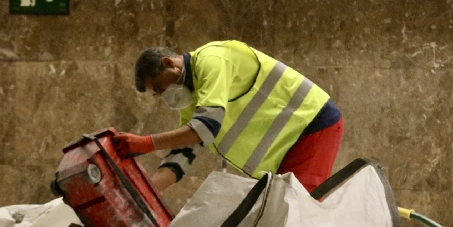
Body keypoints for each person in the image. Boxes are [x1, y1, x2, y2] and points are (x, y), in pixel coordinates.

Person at [114, 40, 344, 194]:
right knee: (282, 222)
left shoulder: (212, 60)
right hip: (288, 148)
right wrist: (145, 193)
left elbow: (206, 128)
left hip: (311, 126)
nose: (163, 96)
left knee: (296, 220)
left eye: (159, 87)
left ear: (168, 63)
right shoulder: (193, 100)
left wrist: (145, 143)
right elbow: (182, 156)